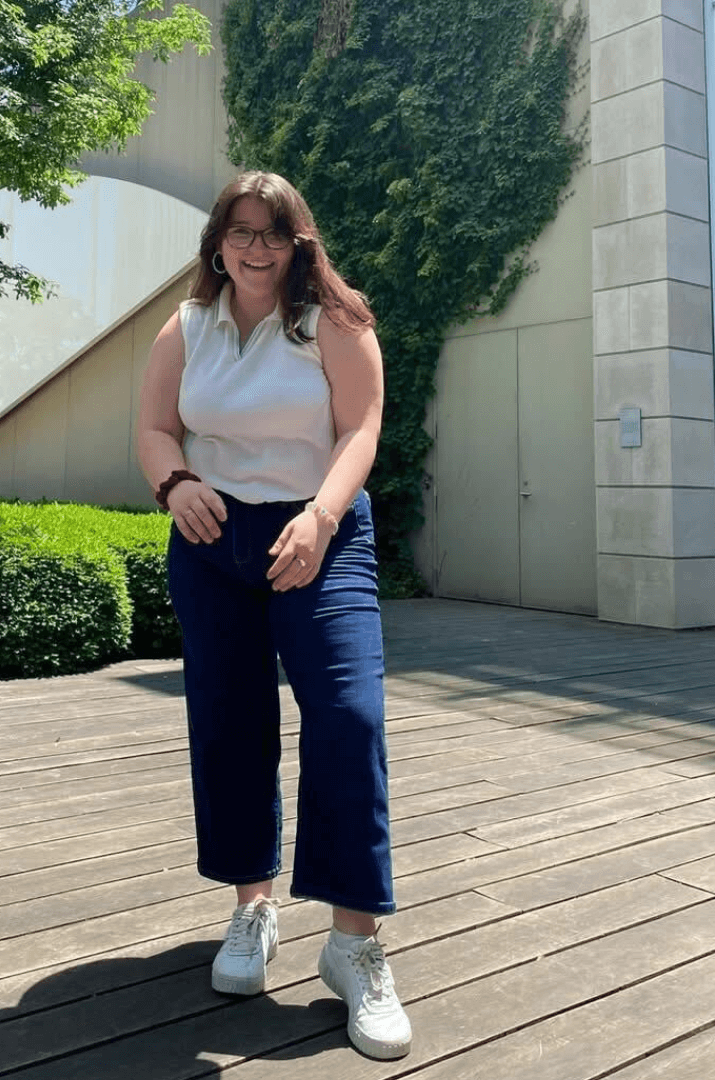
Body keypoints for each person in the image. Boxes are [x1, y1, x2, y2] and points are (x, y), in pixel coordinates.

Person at [136, 171, 411, 1060]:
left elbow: (361, 430)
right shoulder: (184, 327)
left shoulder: (337, 321)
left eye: (274, 231)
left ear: (299, 240)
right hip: (213, 541)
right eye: (241, 230)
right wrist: (173, 483)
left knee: (346, 715)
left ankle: (354, 944)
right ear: (217, 242)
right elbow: (153, 427)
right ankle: (251, 910)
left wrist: (321, 517)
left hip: (319, 531)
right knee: (229, 722)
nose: (256, 246)